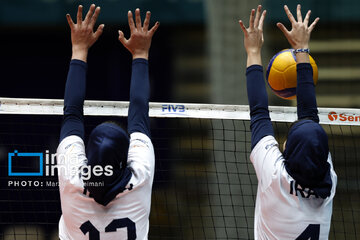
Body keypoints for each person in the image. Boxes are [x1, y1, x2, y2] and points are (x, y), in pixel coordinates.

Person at [56, 4, 159, 239]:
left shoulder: (72, 177)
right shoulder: (140, 175)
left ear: (88, 157)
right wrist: (141, 54)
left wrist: (79, 48)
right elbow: (140, 114)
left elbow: (72, 114)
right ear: (125, 159)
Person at [239, 4, 337, 239]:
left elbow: (303, 115)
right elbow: (261, 114)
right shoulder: (325, 182)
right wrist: (254, 52)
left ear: (288, 149)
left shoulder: (326, 177)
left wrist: (300, 49)